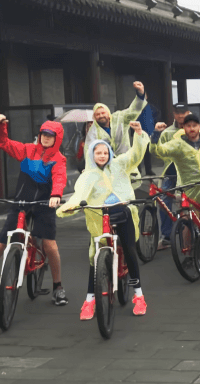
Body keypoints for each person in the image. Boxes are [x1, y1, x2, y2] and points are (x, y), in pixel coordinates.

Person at [0, 116, 68, 312]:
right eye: (43, 134)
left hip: (43, 205)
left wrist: (56, 194)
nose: (46, 138)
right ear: (39, 135)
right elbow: (2, 142)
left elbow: (59, 177)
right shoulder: (28, 151)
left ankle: (58, 286)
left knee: (49, 245)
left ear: (57, 138)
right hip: (21, 203)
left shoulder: (59, 159)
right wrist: (0, 125)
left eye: (50, 135)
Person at [59, 121, 150, 318]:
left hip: (122, 212)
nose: (102, 155)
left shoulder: (119, 165)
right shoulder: (87, 175)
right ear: (91, 155)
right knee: (95, 256)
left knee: (130, 250)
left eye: (105, 152)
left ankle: (139, 296)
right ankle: (90, 300)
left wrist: (139, 134)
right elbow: (79, 194)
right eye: (98, 152)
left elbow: (135, 155)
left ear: (109, 153)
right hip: (99, 215)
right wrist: (69, 207)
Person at [152, 105, 190, 248]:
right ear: (174, 114)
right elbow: (158, 152)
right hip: (170, 171)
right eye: (178, 113)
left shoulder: (194, 128)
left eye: (183, 113)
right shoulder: (167, 132)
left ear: (188, 113)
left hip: (188, 173)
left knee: (190, 203)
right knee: (163, 200)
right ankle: (167, 236)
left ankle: (194, 233)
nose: (180, 116)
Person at [85, 81, 147, 161]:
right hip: (106, 165)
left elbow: (133, 111)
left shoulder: (119, 118)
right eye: (98, 114)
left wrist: (140, 95)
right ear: (94, 117)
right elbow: (89, 149)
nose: (101, 116)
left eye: (103, 113)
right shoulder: (93, 130)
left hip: (125, 161)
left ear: (108, 113)